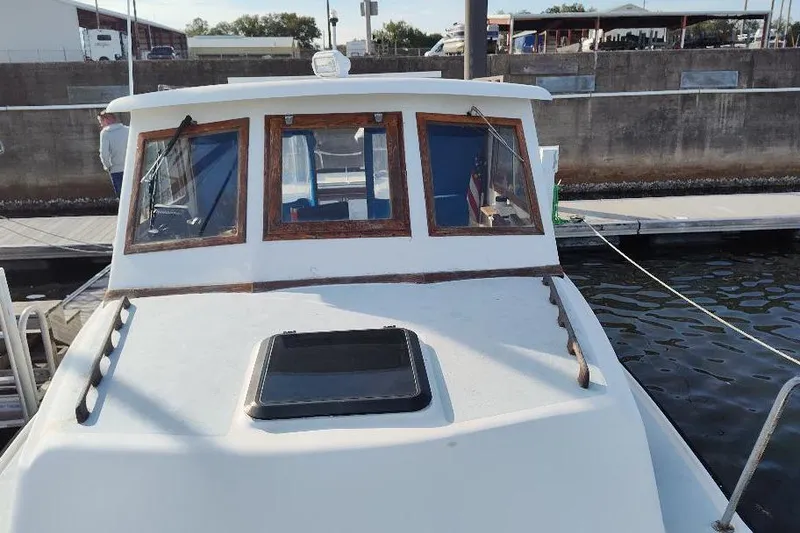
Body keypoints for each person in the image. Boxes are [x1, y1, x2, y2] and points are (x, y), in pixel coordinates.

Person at [97, 110, 130, 197]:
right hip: (131, 168)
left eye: (101, 122)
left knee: (122, 197)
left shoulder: (105, 133)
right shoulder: (128, 130)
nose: (101, 125)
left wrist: (107, 166)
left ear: (106, 120)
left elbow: (104, 154)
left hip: (116, 170)